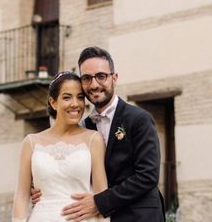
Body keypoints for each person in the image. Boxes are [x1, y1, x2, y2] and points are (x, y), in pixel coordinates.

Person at [60, 46, 165, 222]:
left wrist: (99, 202)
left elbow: (148, 176)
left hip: (140, 216)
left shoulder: (139, 119)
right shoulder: (84, 126)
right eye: (87, 78)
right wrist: (42, 187)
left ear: (114, 78)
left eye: (101, 76)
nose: (94, 85)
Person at [12, 71, 109, 222]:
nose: (75, 104)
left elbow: (101, 194)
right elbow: (21, 195)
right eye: (66, 97)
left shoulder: (93, 139)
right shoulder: (31, 142)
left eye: (80, 97)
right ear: (53, 102)